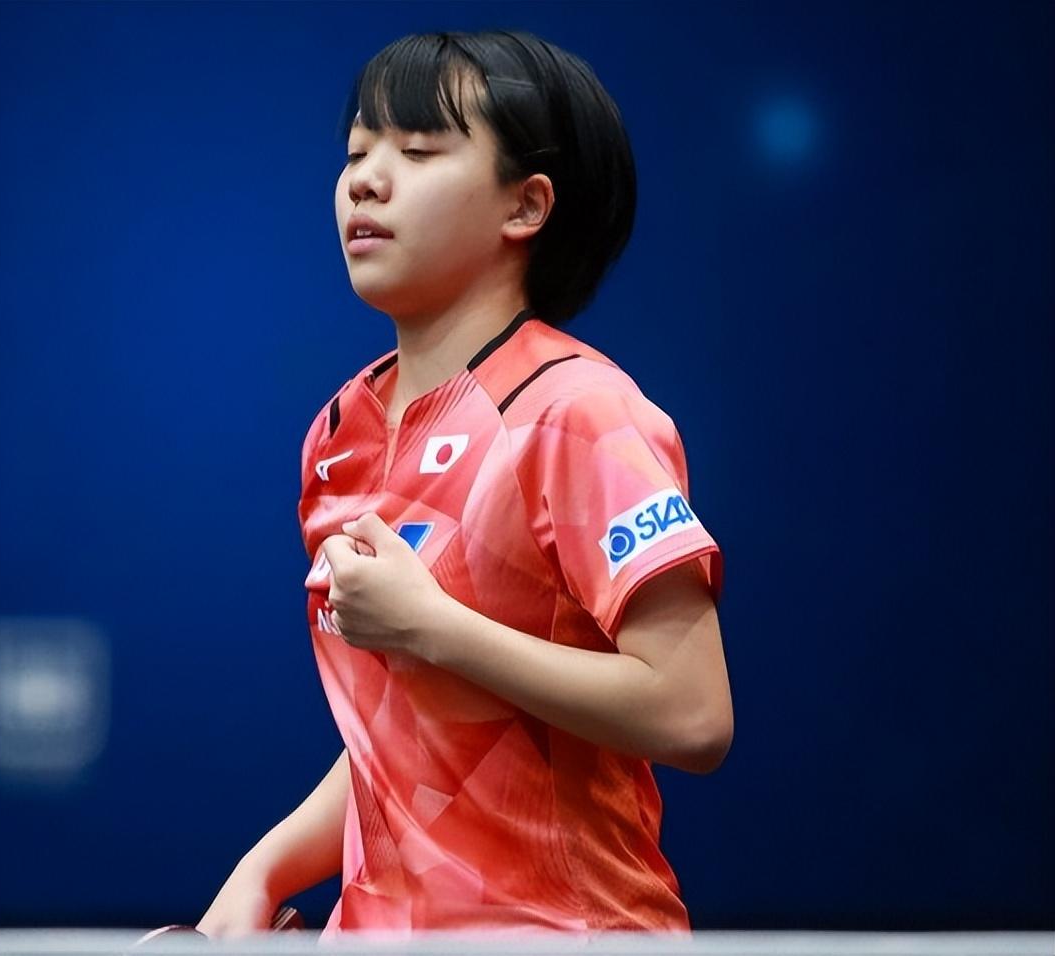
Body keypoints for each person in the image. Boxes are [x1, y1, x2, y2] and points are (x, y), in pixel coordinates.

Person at [196, 29, 732, 940]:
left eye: (417, 152)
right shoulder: (338, 435)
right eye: (357, 153)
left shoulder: (577, 414)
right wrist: (267, 868)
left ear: (526, 206)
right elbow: (414, 736)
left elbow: (692, 712)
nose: (366, 182)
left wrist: (434, 627)